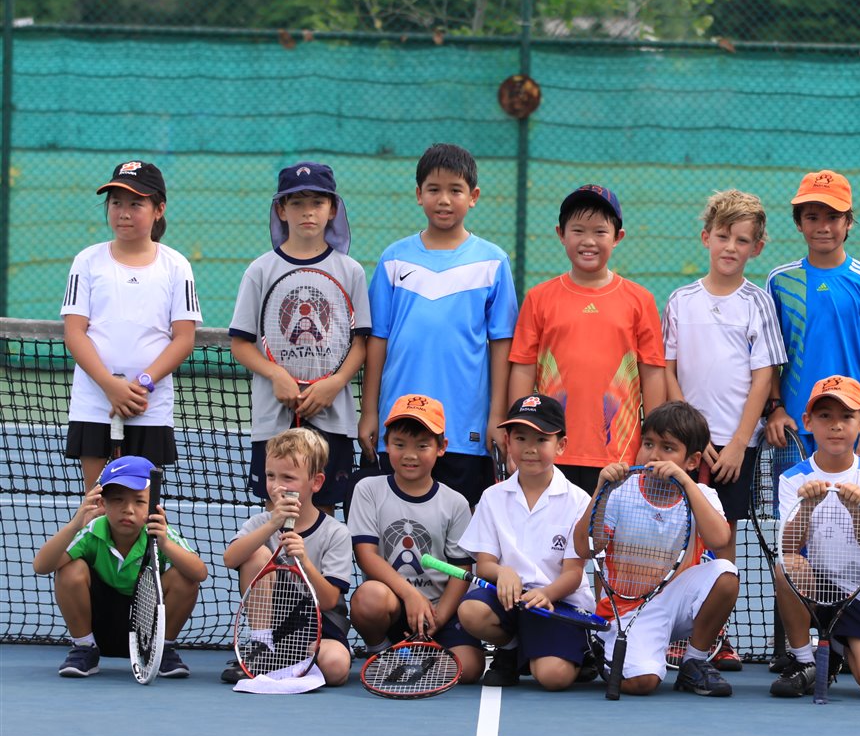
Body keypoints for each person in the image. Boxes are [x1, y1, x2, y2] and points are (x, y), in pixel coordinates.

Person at [662, 188, 786, 672]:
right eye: (722, 236)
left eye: (742, 240)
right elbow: (669, 369)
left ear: (757, 247)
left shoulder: (758, 303)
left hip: (738, 446)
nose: (730, 247)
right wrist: (693, 440)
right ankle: (672, 627)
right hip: (687, 446)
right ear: (705, 238)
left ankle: (716, 636)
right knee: (678, 534)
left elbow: (763, 376)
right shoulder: (681, 301)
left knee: (722, 537)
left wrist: (736, 444)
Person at [358, 143, 518, 507]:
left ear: (473, 197)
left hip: (465, 431)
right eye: (433, 189)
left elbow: (502, 345)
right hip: (398, 428)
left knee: (462, 530)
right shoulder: (393, 259)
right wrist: (369, 412)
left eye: (455, 190)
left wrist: (497, 416)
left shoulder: (493, 261)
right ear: (419, 194)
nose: (444, 200)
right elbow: (377, 340)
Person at [228, 162, 370, 517]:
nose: (308, 211)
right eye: (296, 202)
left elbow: (360, 343)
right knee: (277, 514)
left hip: (332, 418)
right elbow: (241, 344)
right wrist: (276, 374)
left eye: (317, 202)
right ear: (281, 210)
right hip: (274, 420)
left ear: (332, 209)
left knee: (323, 516)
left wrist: (335, 383)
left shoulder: (351, 271)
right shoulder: (260, 271)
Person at [573, 401, 738, 697]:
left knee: (726, 574)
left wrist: (686, 481)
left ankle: (694, 662)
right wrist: (600, 491)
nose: (654, 455)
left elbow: (719, 539)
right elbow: (584, 548)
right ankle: (602, 647)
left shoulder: (702, 495)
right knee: (643, 683)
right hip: (626, 608)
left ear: (692, 460)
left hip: (676, 600)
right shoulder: (619, 492)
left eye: (668, 448)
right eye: (648, 444)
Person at [509, 184, 666, 496]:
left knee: (607, 529)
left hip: (619, 457)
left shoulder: (640, 300)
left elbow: (652, 373)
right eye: (578, 230)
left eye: (600, 232)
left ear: (618, 237)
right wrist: (517, 431)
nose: (588, 241)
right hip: (549, 451)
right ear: (561, 234)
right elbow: (523, 369)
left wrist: (653, 443)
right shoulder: (539, 298)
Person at [61, 161, 201, 490]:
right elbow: (74, 332)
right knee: (96, 502)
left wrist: (142, 384)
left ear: (159, 209)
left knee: (144, 505)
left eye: (136, 204)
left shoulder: (176, 266)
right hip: (94, 404)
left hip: (149, 407)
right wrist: (110, 385)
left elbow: (183, 338)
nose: (123, 213)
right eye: (116, 203)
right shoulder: (86, 261)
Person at [770, 376, 860, 701]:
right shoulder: (792, 478)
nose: (836, 425)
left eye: (846, 416)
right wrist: (807, 507)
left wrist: (856, 510)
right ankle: (804, 660)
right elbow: (788, 548)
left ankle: (838, 645)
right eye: (825, 416)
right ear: (808, 422)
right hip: (813, 586)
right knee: (787, 567)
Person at [457, 394, 595, 690]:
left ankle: (576, 649)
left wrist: (545, 593)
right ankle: (511, 649)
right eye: (520, 438)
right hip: (509, 600)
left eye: (541, 440)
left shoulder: (578, 500)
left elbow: (573, 573)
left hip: (558, 602)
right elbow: (485, 565)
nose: (530, 449)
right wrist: (503, 572)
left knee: (553, 678)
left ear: (561, 445)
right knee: (470, 611)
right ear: (508, 442)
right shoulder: (492, 497)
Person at [348, 394, 483, 683]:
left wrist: (438, 618)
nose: (410, 455)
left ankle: (417, 656)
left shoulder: (455, 503)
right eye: (400, 445)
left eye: (422, 446)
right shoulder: (368, 490)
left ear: (441, 448)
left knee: (469, 668)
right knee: (368, 599)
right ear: (386, 444)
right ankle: (381, 651)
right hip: (393, 606)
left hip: (439, 609)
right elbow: (366, 555)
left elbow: (461, 570)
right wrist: (411, 595)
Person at [33, 455, 207, 678]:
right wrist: (76, 524)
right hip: (99, 625)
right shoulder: (91, 531)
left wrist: (164, 543)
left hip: (148, 629)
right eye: (118, 500)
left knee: (184, 578)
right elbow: (41, 566)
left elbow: (199, 573)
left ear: (153, 506)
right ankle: (84, 647)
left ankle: (163, 650)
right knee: (68, 569)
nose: (128, 509)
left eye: (139, 501)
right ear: (102, 503)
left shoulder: (161, 533)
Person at [764, 170, 860, 461]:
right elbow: (767, 354)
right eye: (812, 217)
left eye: (833, 217)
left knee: (851, 494)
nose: (823, 227)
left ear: (849, 222)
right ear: (799, 223)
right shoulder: (779, 281)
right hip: (794, 426)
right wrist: (776, 408)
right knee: (794, 495)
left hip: (851, 425)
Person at [221, 428, 354, 686]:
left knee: (335, 667)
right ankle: (262, 646)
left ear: (316, 482)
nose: (277, 486)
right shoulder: (260, 523)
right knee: (256, 553)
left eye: (288, 477)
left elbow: (329, 601)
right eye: (271, 476)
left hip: (319, 625)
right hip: (274, 623)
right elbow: (230, 559)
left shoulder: (336, 533)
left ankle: (286, 660)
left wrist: (304, 561)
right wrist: (273, 524)